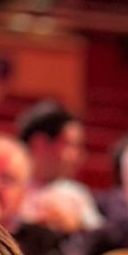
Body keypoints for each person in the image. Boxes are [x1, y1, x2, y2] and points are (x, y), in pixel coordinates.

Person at [16, 99, 102, 234]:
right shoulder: (9, 188)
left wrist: (77, 226)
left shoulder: (76, 194)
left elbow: (99, 239)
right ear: (40, 143)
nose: (79, 156)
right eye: (71, 145)